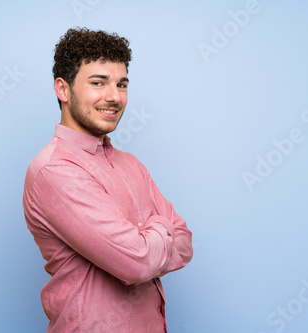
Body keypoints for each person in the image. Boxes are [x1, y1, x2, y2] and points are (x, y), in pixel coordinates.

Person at [23, 27, 193, 333]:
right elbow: (138, 263)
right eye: (98, 83)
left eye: (122, 84)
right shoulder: (55, 170)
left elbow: (185, 241)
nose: (114, 97)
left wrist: (146, 242)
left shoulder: (131, 164)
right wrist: (157, 227)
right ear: (63, 90)